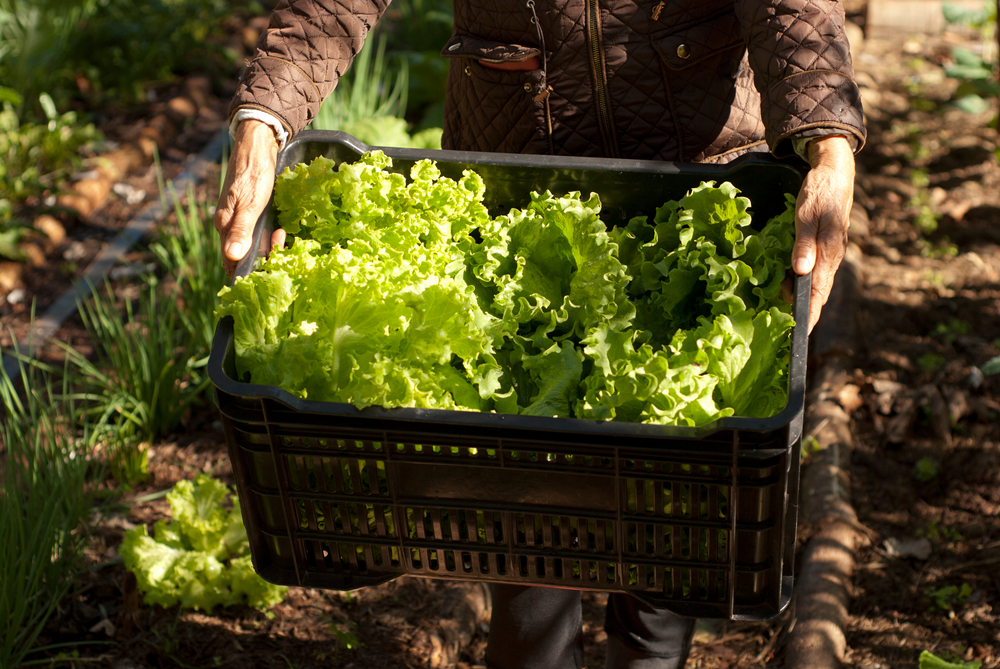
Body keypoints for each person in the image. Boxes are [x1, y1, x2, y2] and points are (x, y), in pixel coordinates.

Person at [214, 0, 866, 666]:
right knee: (527, 505)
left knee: (672, 516)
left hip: (694, 176)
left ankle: (647, 653)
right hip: (519, 186)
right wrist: (264, 119)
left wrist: (829, 146)